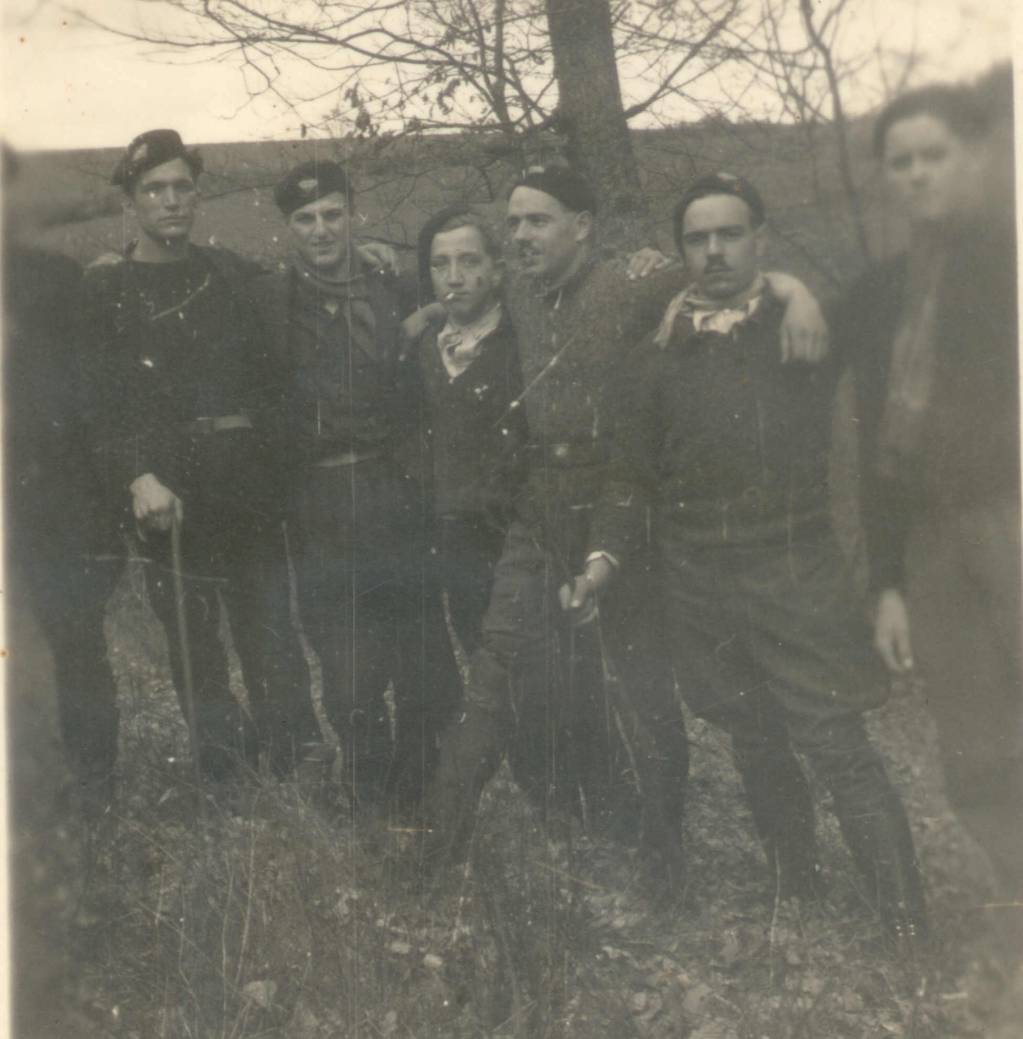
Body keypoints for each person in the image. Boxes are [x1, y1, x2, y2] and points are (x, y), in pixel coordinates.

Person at [423, 164, 829, 891]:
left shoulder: (634, 283)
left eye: (539, 220)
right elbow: (458, 297)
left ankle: (665, 858)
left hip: (622, 503)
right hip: (540, 506)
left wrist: (796, 293)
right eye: (513, 223)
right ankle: (432, 854)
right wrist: (419, 316)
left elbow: (727, 274)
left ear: (583, 227)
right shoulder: (520, 290)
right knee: (493, 671)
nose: (521, 235)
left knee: (645, 693)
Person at [575, 172, 927, 943]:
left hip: (793, 567)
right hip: (698, 576)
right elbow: (628, 473)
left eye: (729, 234)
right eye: (696, 239)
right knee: (751, 733)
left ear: (758, 241)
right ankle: (794, 884)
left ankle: (905, 925)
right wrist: (603, 556)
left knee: (834, 740)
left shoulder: (802, 328)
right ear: (680, 251)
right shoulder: (657, 351)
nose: (712, 251)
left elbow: (893, 320)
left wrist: (794, 292)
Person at [838, 76, 1021, 948]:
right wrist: (887, 582)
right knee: (974, 747)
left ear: (976, 157)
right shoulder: (879, 293)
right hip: (933, 542)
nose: (916, 173)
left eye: (933, 155)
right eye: (899, 160)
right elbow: (879, 448)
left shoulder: (1007, 260)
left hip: (1010, 518)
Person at [80, 129, 318, 782]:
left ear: (197, 195)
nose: (171, 201)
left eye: (182, 187)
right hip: (167, 493)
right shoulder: (108, 289)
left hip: (244, 484)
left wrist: (372, 258)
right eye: (154, 189)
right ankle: (228, 776)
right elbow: (98, 403)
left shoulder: (230, 274)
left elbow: (295, 315)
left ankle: (297, 768)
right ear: (131, 201)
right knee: (193, 640)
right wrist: (137, 476)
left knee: (270, 630)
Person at [250, 159, 461, 813]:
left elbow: (478, 290)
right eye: (304, 219)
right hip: (318, 504)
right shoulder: (268, 301)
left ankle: (422, 789)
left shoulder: (392, 284)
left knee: (423, 655)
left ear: (353, 215)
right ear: (287, 227)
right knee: (348, 668)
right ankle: (370, 795)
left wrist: (431, 309)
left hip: (397, 490)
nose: (320, 229)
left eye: (332, 214)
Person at [3, 142, 121, 807]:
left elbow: (91, 404)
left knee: (73, 639)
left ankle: (91, 784)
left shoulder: (56, 283)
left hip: (46, 502)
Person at [405, 205, 528, 657]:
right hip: (453, 542)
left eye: (469, 262)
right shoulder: (420, 349)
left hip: (517, 539)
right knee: (479, 653)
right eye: (441, 265)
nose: (453, 278)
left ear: (496, 270)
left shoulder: (523, 341)